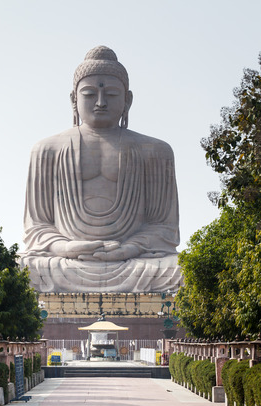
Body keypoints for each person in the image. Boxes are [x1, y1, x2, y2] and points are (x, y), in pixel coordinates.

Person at [20, 46, 182, 293]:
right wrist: (67, 248)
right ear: (73, 99)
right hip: (68, 262)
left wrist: (129, 248)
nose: (100, 102)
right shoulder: (46, 149)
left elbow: (163, 228)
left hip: (134, 262)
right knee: (22, 270)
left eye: (113, 95)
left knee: (180, 270)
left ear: (128, 100)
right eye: (88, 94)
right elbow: (37, 227)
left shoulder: (156, 151)